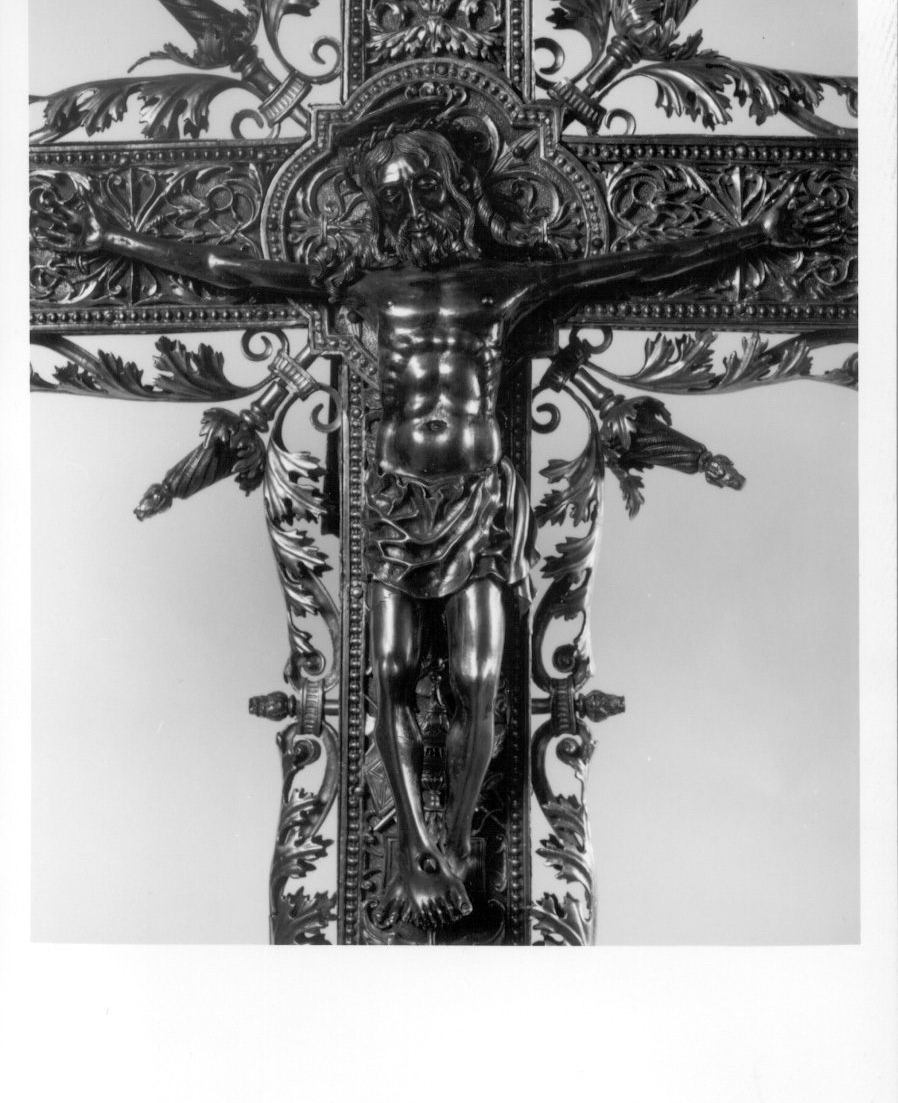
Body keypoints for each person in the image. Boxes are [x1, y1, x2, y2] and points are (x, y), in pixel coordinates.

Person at [44, 128, 837, 929]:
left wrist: (752, 235)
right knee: (385, 672)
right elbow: (230, 269)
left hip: (477, 503)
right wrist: (114, 237)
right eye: (395, 195)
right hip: (395, 505)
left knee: (478, 676)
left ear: (456, 192)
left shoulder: (501, 285)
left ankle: (452, 843)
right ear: (381, 207)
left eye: (426, 189)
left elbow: (636, 266)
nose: (414, 208)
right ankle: (411, 848)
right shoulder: (365, 288)